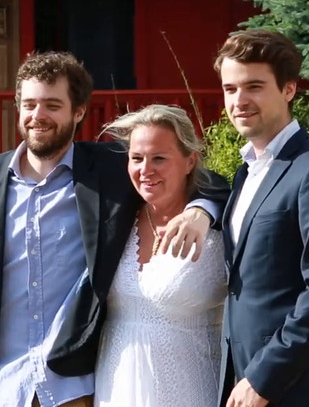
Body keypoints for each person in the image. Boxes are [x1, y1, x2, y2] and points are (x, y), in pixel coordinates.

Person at [0, 52, 229, 407]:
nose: (37, 116)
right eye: (29, 104)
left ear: (78, 112)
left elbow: (197, 178)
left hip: (74, 384)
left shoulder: (108, 170)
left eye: (52, 105)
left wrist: (201, 210)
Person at [213, 29, 309, 407]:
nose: (239, 101)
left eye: (254, 87)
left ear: (289, 89)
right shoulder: (246, 173)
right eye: (230, 89)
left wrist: (264, 378)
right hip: (241, 372)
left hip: (297, 383)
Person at [93, 104, 228, 407]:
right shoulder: (114, 218)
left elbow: (271, 263)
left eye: (159, 158)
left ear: (190, 161)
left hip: (191, 391)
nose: (145, 170)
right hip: (114, 391)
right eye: (137, 158)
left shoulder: (217, 227)